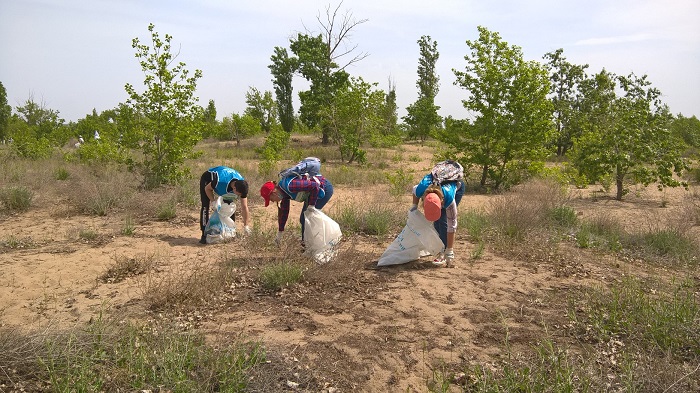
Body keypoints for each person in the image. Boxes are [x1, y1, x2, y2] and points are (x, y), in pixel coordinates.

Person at [260, 173, 334, 247]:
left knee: (307, 219)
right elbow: (284, 213)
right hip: (312, 194)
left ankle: (313, 245)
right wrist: (280, 232)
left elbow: (314, 186)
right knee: (304, 218)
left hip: (324, 189)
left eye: (270, 199)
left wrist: (311, 205)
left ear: (274, 193)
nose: (272, 201)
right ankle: (306, 245)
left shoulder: (289, 186)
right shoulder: (284, 194)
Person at [411, 169, 465, 267]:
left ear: (442, 202)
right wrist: (414, 207)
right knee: (437, 220)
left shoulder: (449, 200)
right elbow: (415, 190)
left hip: (458, 186)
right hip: (439, 183)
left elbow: (451, 226)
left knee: (443, 219)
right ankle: (439, 247)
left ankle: (443, 252)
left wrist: (450, 250)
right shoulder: (421, 189)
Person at [199, 166, 251, 244]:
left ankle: (230, 231)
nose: (239, 196)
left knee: (229, 203)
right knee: (205, 206)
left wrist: (246, 226)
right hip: (208, 179)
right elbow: (207, 189)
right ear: (234, 188)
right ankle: (204, 234)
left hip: (227, 183)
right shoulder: (220, 182)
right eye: (239, 194)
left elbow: (244, 207)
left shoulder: (242, 186)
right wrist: (213, 202)